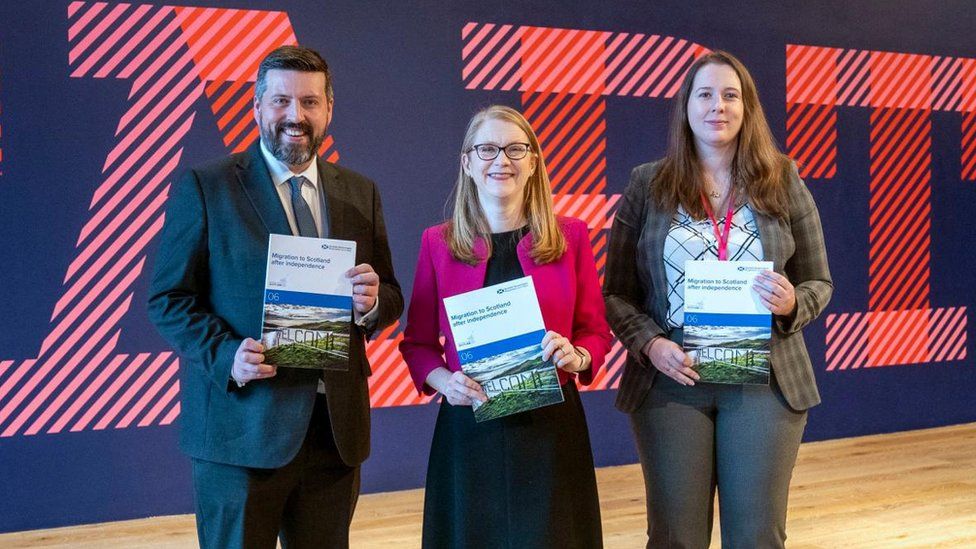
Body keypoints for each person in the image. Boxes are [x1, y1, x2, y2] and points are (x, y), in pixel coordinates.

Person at [147, 45, 403, 549]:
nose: (296, 116)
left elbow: (390, 292)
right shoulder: (208, 186)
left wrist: (374, 303)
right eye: (281, 101)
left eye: (309, 102)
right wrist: (226, 356)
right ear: (258, 107)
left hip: (333, 434)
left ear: (329, 109)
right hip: (241, 432)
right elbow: (168, 298)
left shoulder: (359, 192)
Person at [603, 50, 832, 548]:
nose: (718, 106)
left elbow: (819, 282)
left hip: (764, 377)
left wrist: (793, 301)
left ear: (747, 107)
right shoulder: (647, 184)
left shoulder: (782, 178)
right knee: (675, 538)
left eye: (731, 95)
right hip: (671, 376)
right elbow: (617, 293)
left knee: (755, 537)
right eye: (705, 94)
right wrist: (649, 344)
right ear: (686, 106)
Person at [399, 105, 612, 549]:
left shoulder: (570, 236)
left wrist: (579, 356)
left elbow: (594, 331)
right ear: (468, 162)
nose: (502, 160)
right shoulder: (437, 243)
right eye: (488, 149)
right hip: (468, 426)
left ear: (534, 162)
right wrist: (445, 381)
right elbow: (417, 344)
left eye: (516, 149)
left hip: (550, 426)